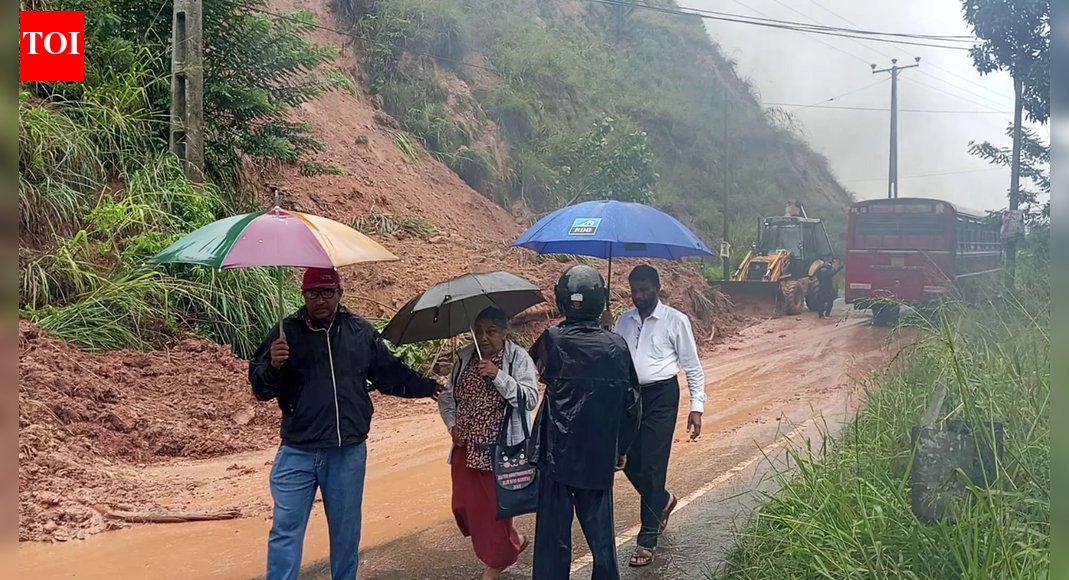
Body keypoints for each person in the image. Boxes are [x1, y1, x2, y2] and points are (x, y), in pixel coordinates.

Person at [249, 267, 440, 580]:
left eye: (327, 292)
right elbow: (261, 389)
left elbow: (388, 373)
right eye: (313, 293)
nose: (320, 300)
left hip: (346, 451)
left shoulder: (360, 331)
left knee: (346, 532)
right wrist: (272, 365)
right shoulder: (285, 334)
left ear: (340, 293)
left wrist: (428, 387)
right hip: (297, 451)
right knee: (285, 530)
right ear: (303, 295)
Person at [529, 265, 642, 580]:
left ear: (562, 301)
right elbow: (633, 405)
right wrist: (621, 448)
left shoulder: (552, 339)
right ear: (601, 300)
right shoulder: (616, 346)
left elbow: (538, 370)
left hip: (557, 455)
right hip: (598, 454)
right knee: (602, 541)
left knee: (553, 542)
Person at [612, 265, 706, 567]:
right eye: (634, 290)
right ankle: (663, 499)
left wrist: (697, 406)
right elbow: (614, 359)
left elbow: (692, 365)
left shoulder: (675, 320)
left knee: (653, 464)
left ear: (656, 287)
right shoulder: (622, 321)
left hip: (662, 397)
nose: (638, 296)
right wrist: (605, 332)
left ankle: (647, 538)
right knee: (626, 460)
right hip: (630, 397)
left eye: (644, 289)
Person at [436, 306, 539, 580]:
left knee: (493, 510)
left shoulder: (518, 358)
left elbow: (529, 399)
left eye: (491, 331)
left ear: (504, 331)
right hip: (465, 447)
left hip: (500, 449)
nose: (483, 337)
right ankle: (513, 539)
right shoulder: (466, 357)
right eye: (479, 331)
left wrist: (497, 375)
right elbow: (447, 397)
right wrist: (452, 426)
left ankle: (498, 561)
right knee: (462, 507)